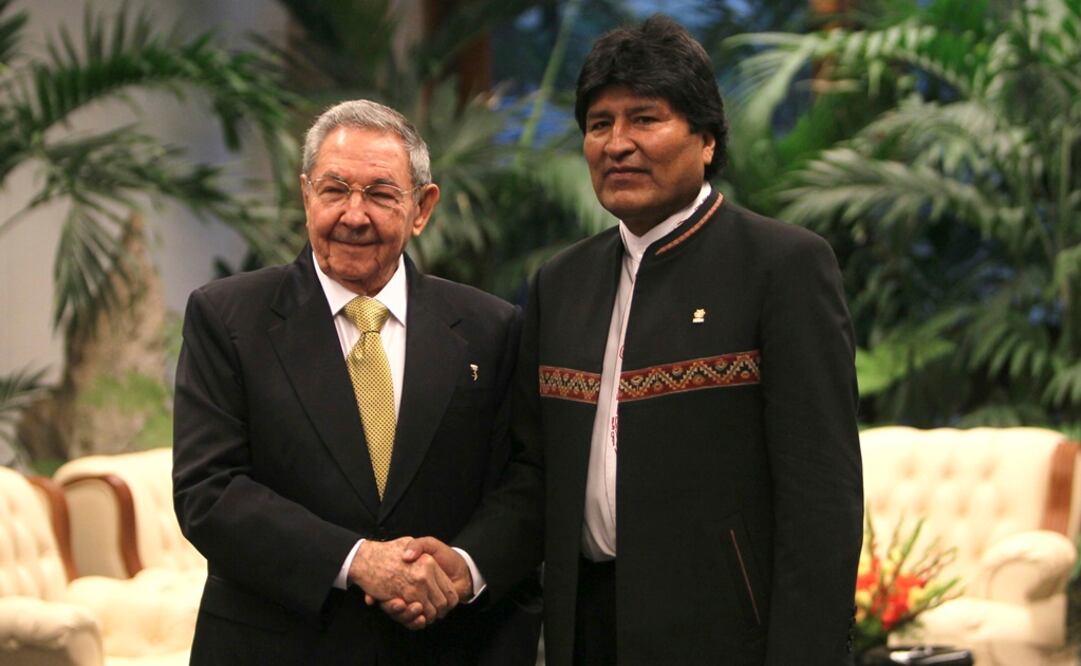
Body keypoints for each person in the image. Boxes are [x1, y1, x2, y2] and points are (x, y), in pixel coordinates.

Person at [390, 14, 864, 665]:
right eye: (598, 124)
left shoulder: (780, 267)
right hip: (585, 629)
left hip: (727, 637)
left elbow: (821, 499)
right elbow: (536, 477)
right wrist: (465, 564)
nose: (617, 143)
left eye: (645, 119)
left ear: (705, 140)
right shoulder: (561, 282)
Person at [172, 99, 540, 665]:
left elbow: (527, 478)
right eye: (335, 189)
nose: (353, 214)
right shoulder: (227, 318)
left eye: (381, 193)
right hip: (277, 645)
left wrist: (461, 570)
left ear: (422, 208)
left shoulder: (492, 329)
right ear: (305, 195)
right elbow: (208, 491)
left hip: (447, 646)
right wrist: (355, 559)